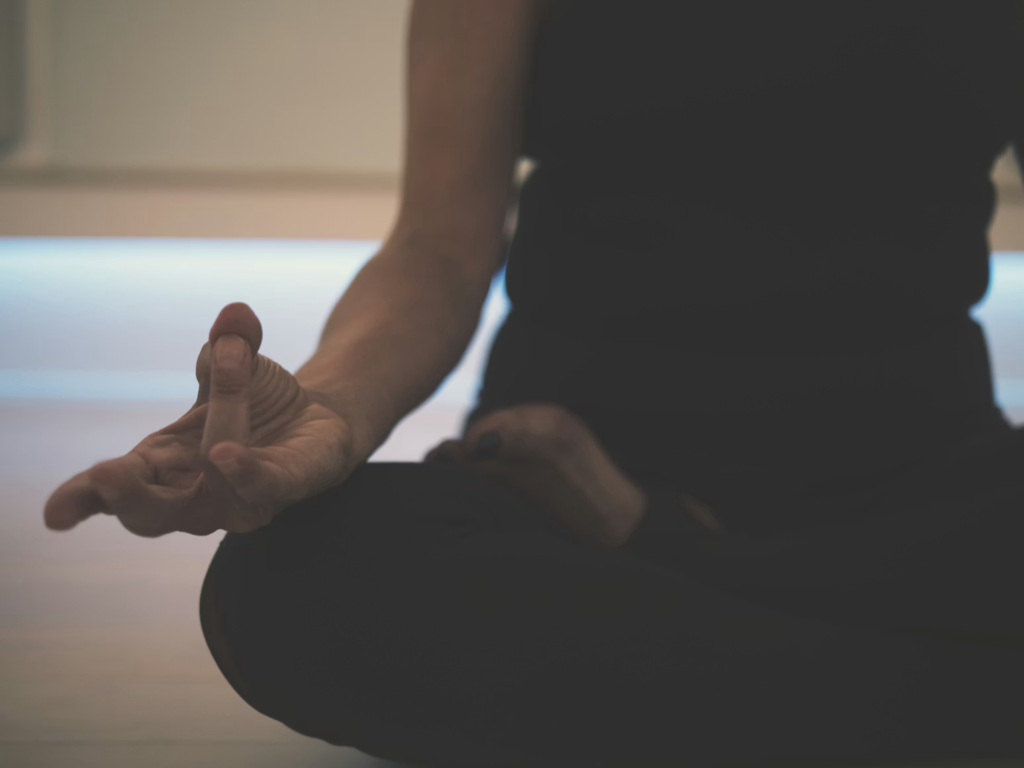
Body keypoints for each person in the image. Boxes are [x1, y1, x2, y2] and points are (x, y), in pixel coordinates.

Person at [43, 1, 1024, 766]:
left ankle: (664, 569)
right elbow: (436, 245)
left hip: (915, 490)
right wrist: (331, 409)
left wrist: (654, 543)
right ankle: (939, 698)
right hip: (552, 485)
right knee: (287, 585)